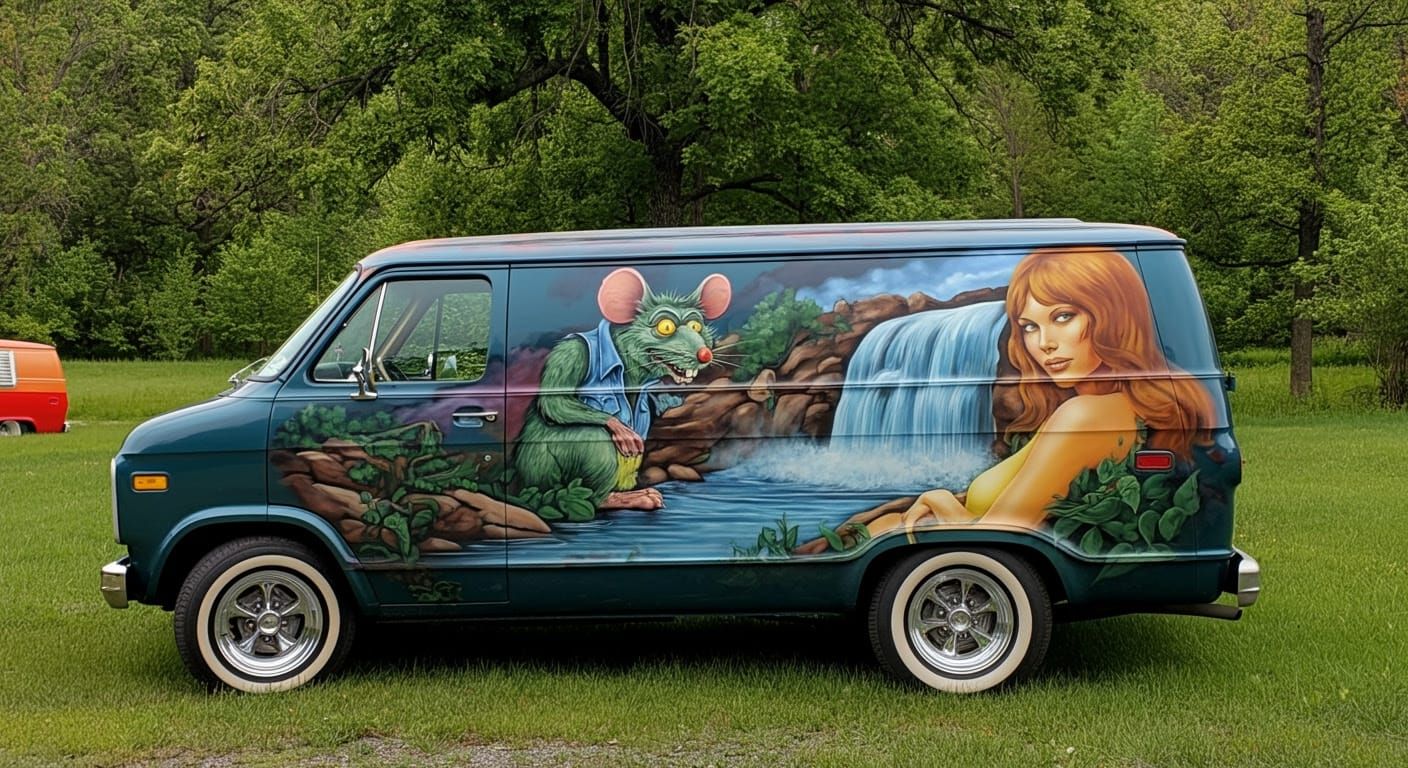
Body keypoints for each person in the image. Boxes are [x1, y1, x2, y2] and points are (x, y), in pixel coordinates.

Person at [866, 247, 1215, 537]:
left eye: (1063, 317)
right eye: (1030, 327)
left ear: (1113, 315)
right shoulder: (1095, 406)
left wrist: (938, 499)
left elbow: (999, 535)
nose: (1044, 344)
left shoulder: (1087, 416)